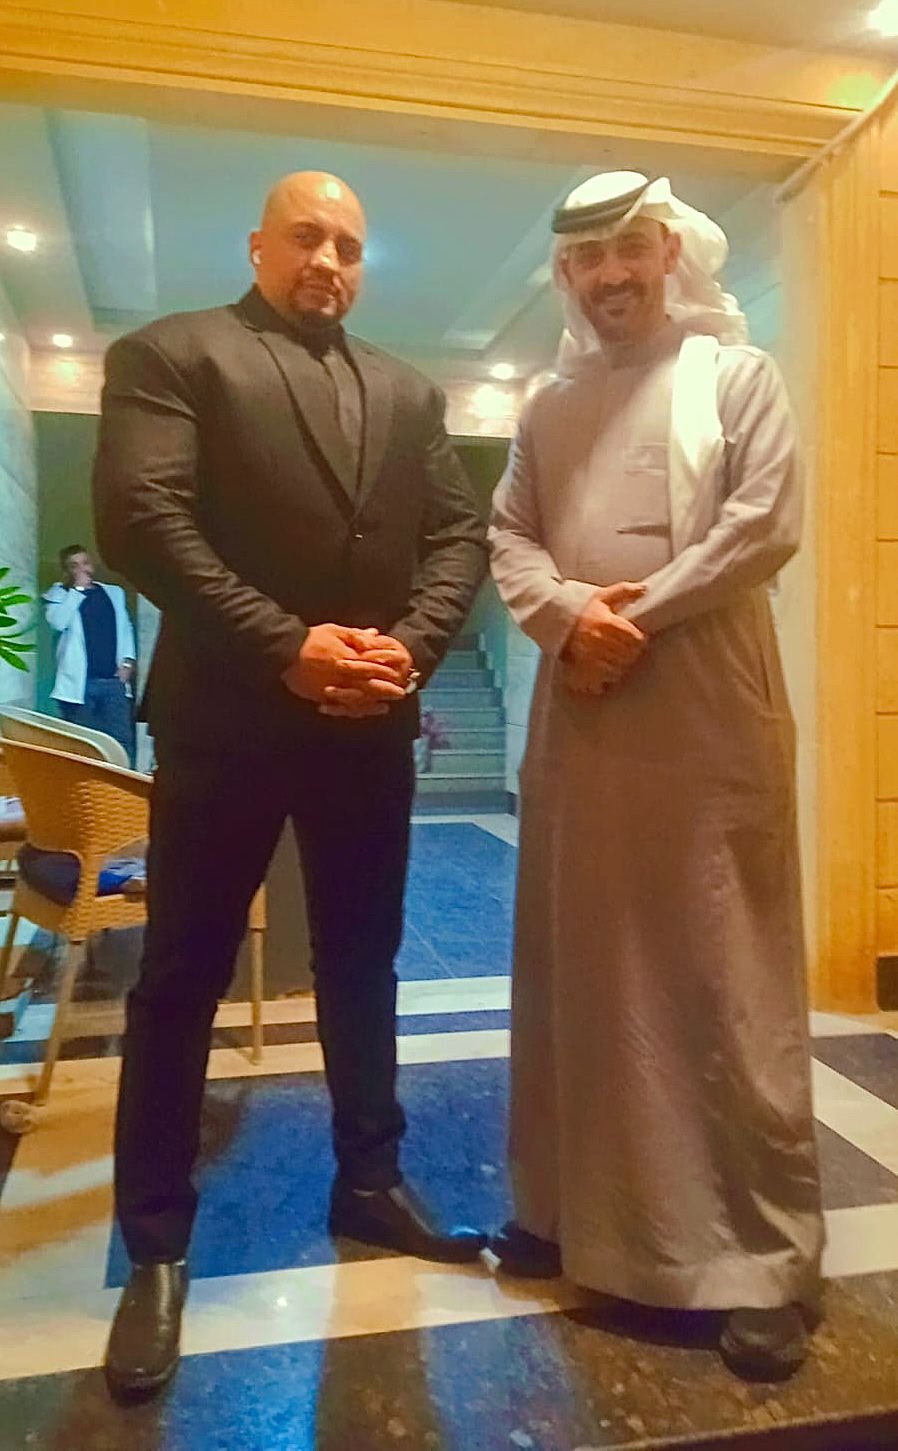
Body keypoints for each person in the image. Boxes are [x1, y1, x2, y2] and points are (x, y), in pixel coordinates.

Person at [93, 170, 488, 1400]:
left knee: (365, 958)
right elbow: (142, 520)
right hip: (224, 719)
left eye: (350, 245)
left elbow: (457, 534)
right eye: (308, 236)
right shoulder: (173, 354)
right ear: (258, 243)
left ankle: (369, 1180)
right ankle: (155, 1242)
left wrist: (407, 650)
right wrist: (286, 643)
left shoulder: (410, 390)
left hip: (368, 719)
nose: (330, 259)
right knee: (180, 978)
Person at [488, 172, 824, 1382]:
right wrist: (568, 616)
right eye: (588, 258)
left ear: (671, 253)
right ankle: (565, 1214)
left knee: (722, 974)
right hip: (582, 720)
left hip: (704, 720)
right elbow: (508, 533)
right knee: (578, 967)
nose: (611, 275)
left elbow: (763, 522)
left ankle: (756, 1260)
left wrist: (630, 617)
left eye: (630, 248)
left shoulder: (737, 376)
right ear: (566, 275)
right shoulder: (544, 404)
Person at [43, 544, 136, 763]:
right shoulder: (59, 595)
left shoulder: (113, 593)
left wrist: (128, 661)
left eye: (85, 563)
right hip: (79, 684)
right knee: (83, 743)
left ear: (92, 565)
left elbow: (125, 628)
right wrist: (77, 591)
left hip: (113, 681)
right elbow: (58, 622)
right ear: (66, 571)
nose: (81, 569)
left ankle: (122, 782)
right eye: (74, 566)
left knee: (121, 740)